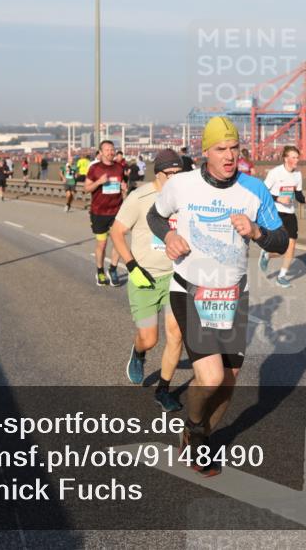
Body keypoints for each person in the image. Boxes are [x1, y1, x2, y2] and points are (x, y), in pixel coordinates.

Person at [147, 116, 288, 476]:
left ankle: (201, 437)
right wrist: (169, 237)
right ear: (205, 151)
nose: (229, 156)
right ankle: (195, 432)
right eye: (221, 149)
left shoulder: (254, 189)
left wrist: (256, 231)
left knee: (228, 379)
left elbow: (282, 240)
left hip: (232, 295)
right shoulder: (182, 185)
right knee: (209, 377)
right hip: (190, 289)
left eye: (234, 149)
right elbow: (155, 216)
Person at [111, 149, 185, 411]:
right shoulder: (139, 197)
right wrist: (131, 267)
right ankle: (139, 352)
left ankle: (163, 389)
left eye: (180, 173)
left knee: (176, 335)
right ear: (158, 173)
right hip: (144, 277)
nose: (176, 179)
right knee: (150, 338)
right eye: (171, 174)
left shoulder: (184, 197)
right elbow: (117, 232)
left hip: (176, 276)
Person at [259, 146, 306, 287]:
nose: (296, 160)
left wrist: (304, 199)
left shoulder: (298, 175)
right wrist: (278, 199)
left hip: (290, 213)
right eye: (293, 157)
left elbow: (298, 194)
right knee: (280, 247)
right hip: (276, 212)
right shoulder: (275, 173)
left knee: (291, 245)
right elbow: (263, 192)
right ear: (285, 158)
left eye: (297, 157)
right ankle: (267, 254)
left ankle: (281, 276)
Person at [85, 140, 128, 286]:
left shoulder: (119, 168)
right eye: (107, 150)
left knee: (119, 241)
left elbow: (123, 188)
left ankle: (113, 268)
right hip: (99, 212)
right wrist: (98, 182)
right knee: (102, 244)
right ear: (101, 152)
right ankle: (100, 271)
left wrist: (124, 190)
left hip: (116, 210)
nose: (110, 152)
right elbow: (87, 188)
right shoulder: (94, 168)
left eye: (112, 149)